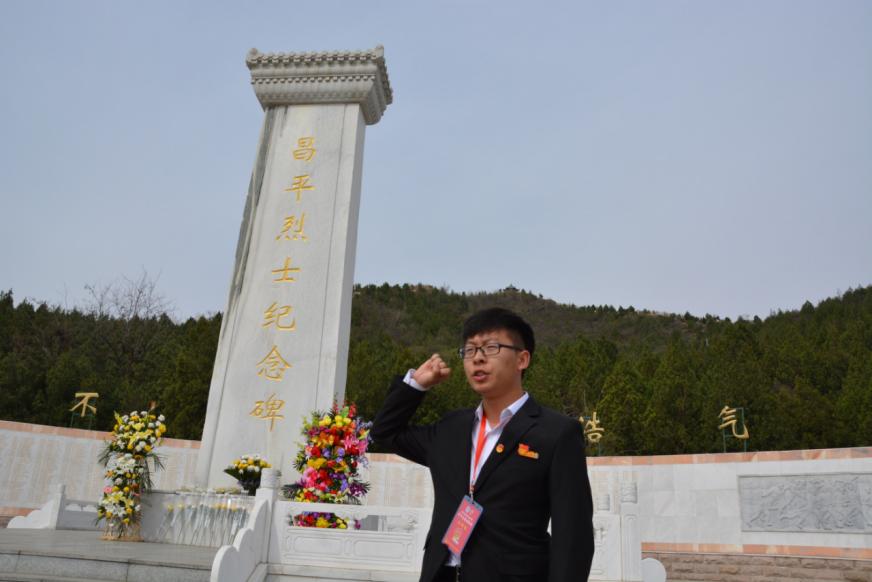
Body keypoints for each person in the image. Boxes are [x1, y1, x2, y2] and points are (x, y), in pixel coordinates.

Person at [372, 307, 595, 582]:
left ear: (522, 359)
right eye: (470, 350)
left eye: (491, 347)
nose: (477, 357)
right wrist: (415, 386)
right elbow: (385, 433)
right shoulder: (451, 428)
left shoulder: (556, 433)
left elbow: (573, 535)